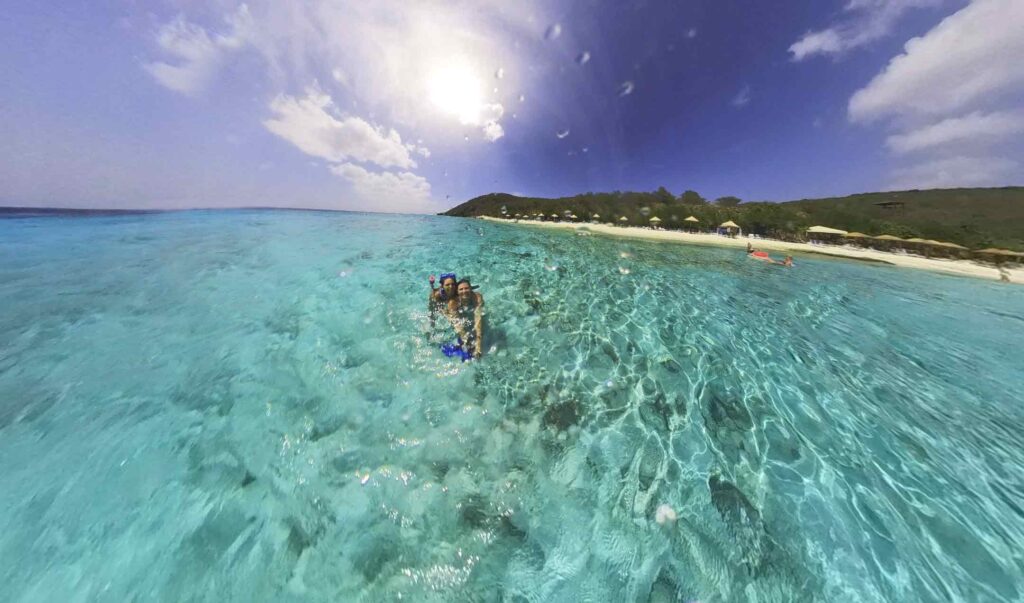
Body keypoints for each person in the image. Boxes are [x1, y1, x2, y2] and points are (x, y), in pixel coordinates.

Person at [445, 278, 485, 359]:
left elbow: (478, 319)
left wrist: (478, 345)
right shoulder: (453, 302)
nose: (464, 291)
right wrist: (466, 341)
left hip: (469, 309)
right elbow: (457, 324)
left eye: (466, 288)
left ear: (471, 289)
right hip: (453, 312)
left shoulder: (477, 297)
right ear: (457, 292)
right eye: (461, 289)